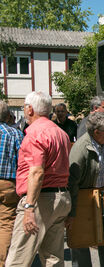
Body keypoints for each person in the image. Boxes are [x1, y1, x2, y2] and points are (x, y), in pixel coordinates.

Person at [5, 92, 71, 267]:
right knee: (53, 258)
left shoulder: (34, 134)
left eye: (24, 107)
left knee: (18, 260)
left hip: (42, 200)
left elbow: (36, 173)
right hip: (61, 197)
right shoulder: (60, 133)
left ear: (30, 109)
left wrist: (29, 207)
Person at [66, 112, 104, 267]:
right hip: (82, 199)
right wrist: (72, 213)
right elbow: (72, 183)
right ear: (96, 132)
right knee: (80, 241)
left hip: (103, 197)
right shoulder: (80, 149)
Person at [0, 102, 24, 267]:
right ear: (8, 115)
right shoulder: (14, 134)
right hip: (7, 184)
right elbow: (23, 164)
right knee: (6, 224)